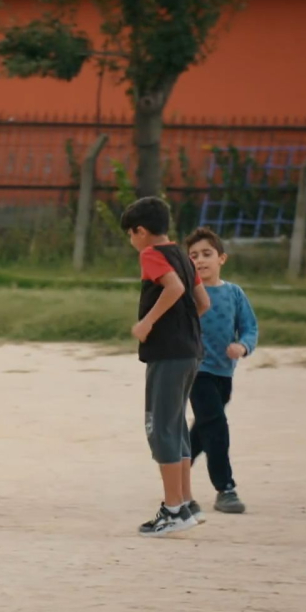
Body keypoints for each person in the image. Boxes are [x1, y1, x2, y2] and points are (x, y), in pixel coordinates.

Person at [121, 197, 211, 537]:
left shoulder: (152, 254)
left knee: (161, 428)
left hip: (169, 355)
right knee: (176, 426)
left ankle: (173, 509)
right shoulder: (185, 259)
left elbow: (173, 288)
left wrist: (149, 322)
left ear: (140, 231)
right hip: (191, 351)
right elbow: (202, 303)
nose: (132, 243)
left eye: (131, 235)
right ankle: (186, 502)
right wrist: (181, 327)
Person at [185, 227, 258, 515]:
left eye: (206, 254)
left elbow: (250, 328)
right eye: (193, 256)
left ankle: (175, 468)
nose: (200, 261)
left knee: (203, 429)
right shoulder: (187, 295)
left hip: (224, 373)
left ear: (221, 259)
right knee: (216, 426)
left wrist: (243, 346)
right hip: (194, 371)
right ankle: (225, 489)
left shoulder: (234, 293)